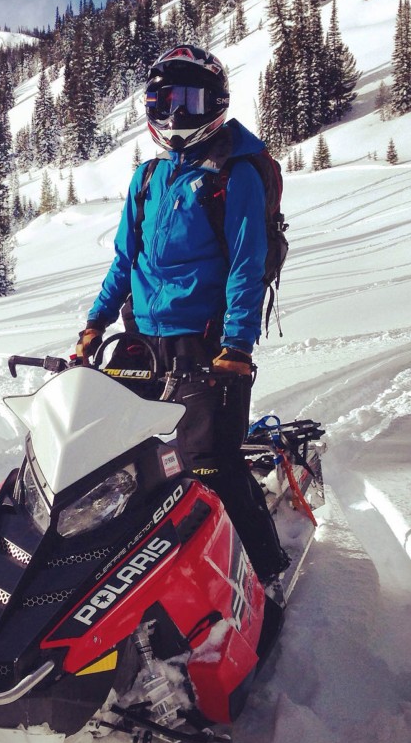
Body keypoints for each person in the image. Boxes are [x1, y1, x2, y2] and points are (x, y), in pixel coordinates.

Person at [76, 44, 289, 585]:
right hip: (142, 339)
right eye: (162, 101)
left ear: (214, 104)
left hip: (207, 344)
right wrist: (95, 324)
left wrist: (236, 347)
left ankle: (265, 572)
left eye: (188, 101)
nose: (174, 116)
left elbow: (247, 262)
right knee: (139, 464)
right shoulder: (148, 179)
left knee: (211, 462)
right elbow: (127, 259)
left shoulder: (233, 173)